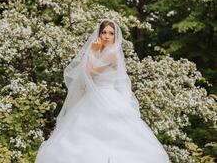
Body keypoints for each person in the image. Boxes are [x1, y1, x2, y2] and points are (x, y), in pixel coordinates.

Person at [34, 19, 170, 163]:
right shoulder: (99, 53)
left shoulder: (112, 54)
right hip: (91, 98)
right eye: (104, 32)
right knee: (83, 135)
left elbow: (91, 71)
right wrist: (94, 53)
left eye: (111, 33)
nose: (106, 36)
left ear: (115, 37)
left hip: (108, 97)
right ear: (99, 34)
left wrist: (92, 51)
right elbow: (85, 76)